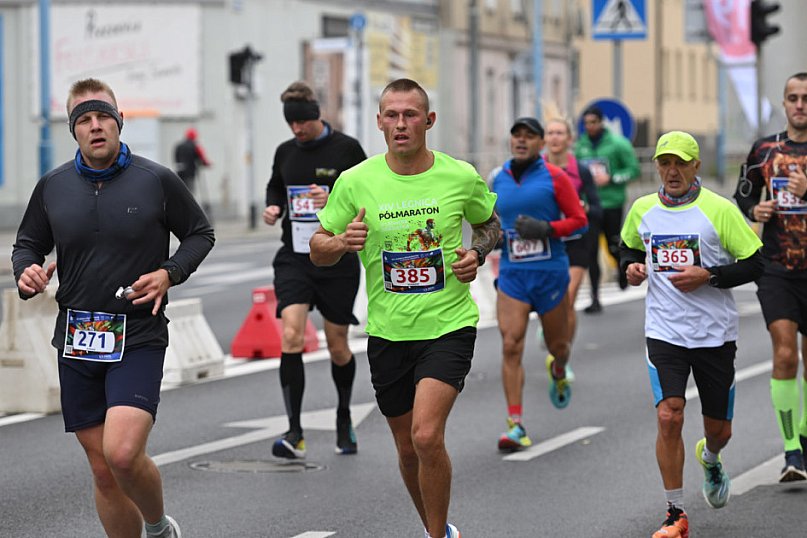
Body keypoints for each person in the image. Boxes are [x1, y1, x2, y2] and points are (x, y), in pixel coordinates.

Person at [12, 78, 215, 538]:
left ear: (119, 121)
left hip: (138, 334)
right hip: (78, 337)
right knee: (104, 470)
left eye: (103, 116)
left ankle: (159, 527)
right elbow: (27, 244)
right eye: (84, 119)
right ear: (73, 130)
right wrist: (26, 272)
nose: (95, 126)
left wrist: (169, 272)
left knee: (122, 453)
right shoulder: (53, 187)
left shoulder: (156, 180)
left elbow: (201, 233)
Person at [310, 78, 499, 538]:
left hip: (448, 326)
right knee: (407, 448)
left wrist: (478, 253)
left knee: (426, 435)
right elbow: (317, 248)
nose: (400, 124)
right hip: (388, 332)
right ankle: (440, 527)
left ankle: (436, 536)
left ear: (428, 121)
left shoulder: (460, 176)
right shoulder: (356, 181)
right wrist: (338, 242)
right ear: (379, 122)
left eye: (410, 115)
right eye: (391, 115)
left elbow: (490, 223)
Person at [620, 131, 763, 538]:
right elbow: (628, 248)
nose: (672, 171)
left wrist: (710, 275)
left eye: (681, 162)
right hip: (664, 331)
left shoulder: (719, 210)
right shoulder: (643, 208)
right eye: (665, 163)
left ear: (696, 166)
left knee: (720, 429)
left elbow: (755, 263)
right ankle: (675, 512)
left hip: (714, 334)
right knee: (669, 415)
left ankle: (712, 457)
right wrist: (630, 268)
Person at [263, 81, 367, 459]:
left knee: (337, 345)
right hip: (295, 255)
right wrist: (273, 207)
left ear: (317, 115)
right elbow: (275, 187)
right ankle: (294, 431)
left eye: (302, 123)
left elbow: (368, 197)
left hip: (337, 257)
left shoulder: (347, 149)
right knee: (291, 335)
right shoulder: (285, 152)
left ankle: (343, 415)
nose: (297, 130)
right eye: (291, 124)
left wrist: (333, 193)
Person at [490, 117, 587, 452]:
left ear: (541, 143)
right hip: (514, 275)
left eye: (529, 136)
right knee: (510, 344)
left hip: (550, 275)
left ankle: (558, 368)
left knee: (558, 346)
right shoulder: (496, 178)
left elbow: (580, 221)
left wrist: (546, 229)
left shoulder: (555, 177)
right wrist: (488, 244)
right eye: (516, 135)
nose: (521, 140)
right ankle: (515, 424)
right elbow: (488, 222)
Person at [733, 72, 807, 482]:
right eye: (793, 98)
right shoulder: (765, 149)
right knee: (784, 354)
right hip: (777, 268)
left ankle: (805, 435)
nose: (800, 105)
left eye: (806, 98)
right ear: (783, 103)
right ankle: (791, 452)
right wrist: (752, 211)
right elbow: (742, 194)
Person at [543, 117, 602, 353]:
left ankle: (562, 355)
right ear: (544, 139)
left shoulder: (581, 171)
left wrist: (583, 208)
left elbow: (597, 207)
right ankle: (552, 329)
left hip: (576, 241)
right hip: (547, 241)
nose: (555, 137)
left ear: (569, 139)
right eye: (550, 133)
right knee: (552, 303)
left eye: (560, 133)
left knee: (567, 299)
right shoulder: (536, 169)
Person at [574, 105, 640, 312]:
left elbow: (634, 170)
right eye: (586, 123)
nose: (590, 127)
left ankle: (622, 271)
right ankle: (595, 297)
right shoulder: (580, 147)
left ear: (601, 122)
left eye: (593, 122)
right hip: (590, 206)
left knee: (614, 245)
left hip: (612, 203)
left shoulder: (618, 144)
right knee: (591, 250)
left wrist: (611, 178)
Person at [173, 127, 211, 194]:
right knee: (189, 191)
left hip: (180, 172)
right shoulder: (195, 146)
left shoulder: (179, 146)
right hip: (190, 172)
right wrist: (206, 164)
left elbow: (175, 158)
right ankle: (188, 203)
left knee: (180, 190)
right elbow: (202, 158)